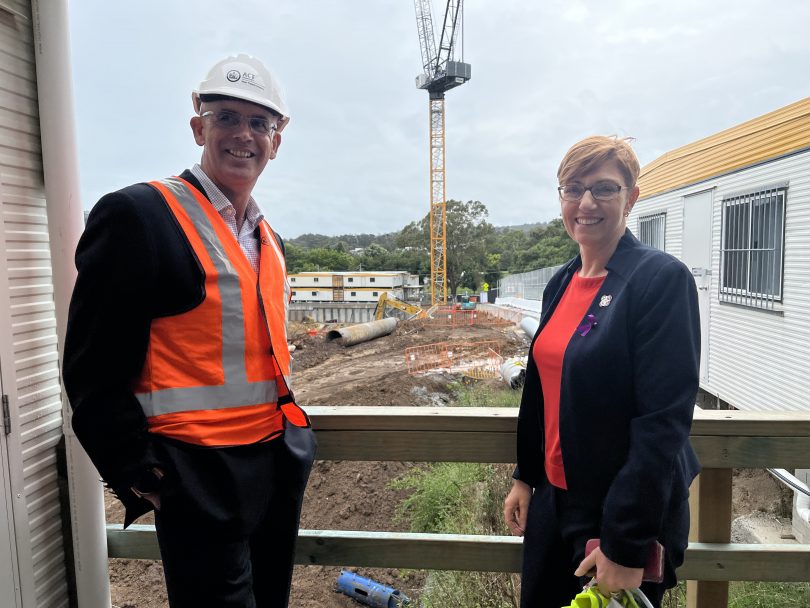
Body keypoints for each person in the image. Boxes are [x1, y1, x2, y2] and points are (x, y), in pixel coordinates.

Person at [63, 53, 315, 607]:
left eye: (259, 123)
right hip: (196, 476)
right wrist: (146, 479)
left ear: (278, 138)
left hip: (272, 466)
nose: (243, 135)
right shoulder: (140, 215)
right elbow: (91, 369)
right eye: (227, 117)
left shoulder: (266, 238)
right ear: (199, 126)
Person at [502, 136, 701, 608]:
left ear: (631, 198)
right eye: (572, 188)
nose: (586, 202)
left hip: (616, 512)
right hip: (553, 502)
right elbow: (542, 393)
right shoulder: (561, 281)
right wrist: (525, 476)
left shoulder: (660, 281)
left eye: (604, 189)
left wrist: (625, 542)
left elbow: (663, 423)